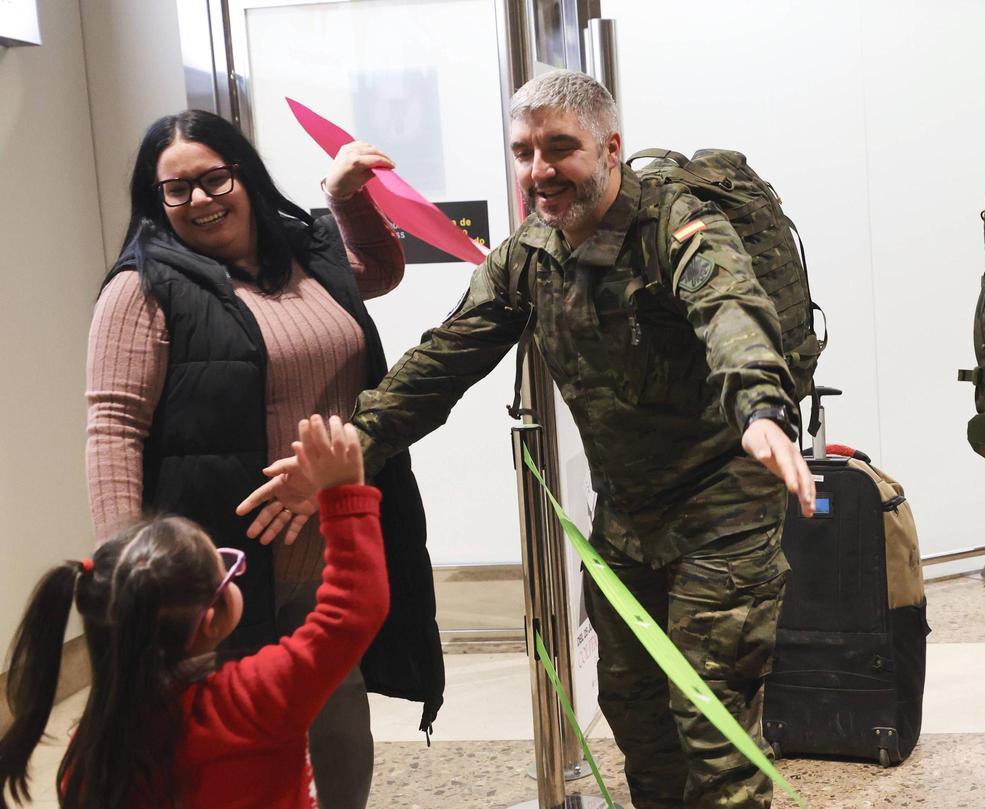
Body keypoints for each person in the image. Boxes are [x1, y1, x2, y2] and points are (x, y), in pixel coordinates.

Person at [241, 70, 816, 809]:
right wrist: (354, 444)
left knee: (713, 738)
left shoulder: (677, 228)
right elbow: (443, 360)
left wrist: (762, 409)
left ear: (610, 146)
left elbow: (731, 314)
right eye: (524, 151)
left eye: (560, 148)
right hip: (628, 518)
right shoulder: (531, 254)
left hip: (722, 508)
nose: (540, 171)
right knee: (639, 725)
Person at [85, 110, 442, 809]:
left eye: (214, 178)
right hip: (225, 562)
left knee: (340, 726)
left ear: (243, 172)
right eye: (176, 190)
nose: (200, 199)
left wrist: (344, 198)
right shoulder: (144, 286)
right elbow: (113, 427)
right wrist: (127, 567)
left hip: (329, 537)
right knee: (236, 755)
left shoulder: (305, 250)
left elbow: (378, 269)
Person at [0, 415, 385, 809]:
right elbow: (351, 613)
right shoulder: (257, 696)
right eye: (227, 569)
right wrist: (344, 494)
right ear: (212, 617)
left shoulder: (90, 751)